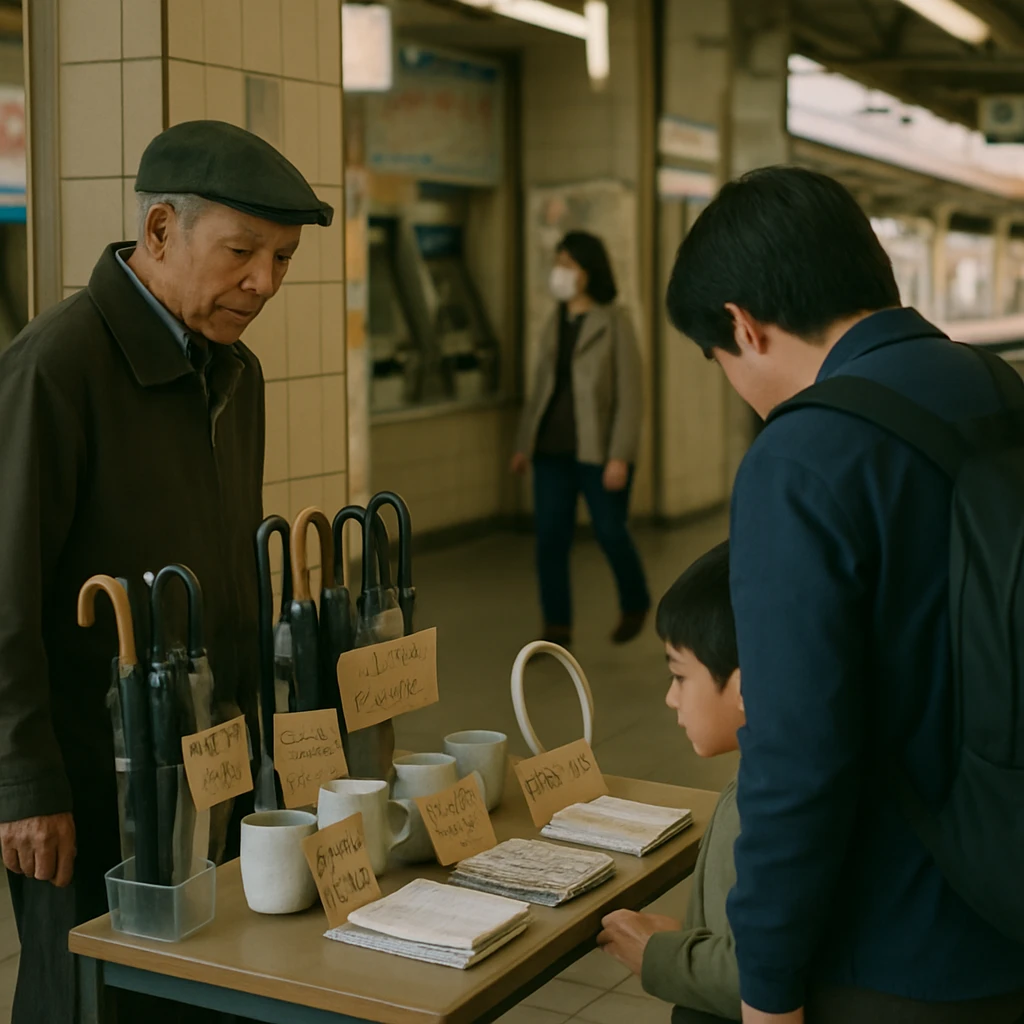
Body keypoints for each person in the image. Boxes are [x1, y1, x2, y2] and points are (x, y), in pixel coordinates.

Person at [665, 166, 1024, 1024]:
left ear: (742, 326)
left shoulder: (804, 456)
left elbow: (798, 754)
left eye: (718, 361)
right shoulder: (996, 388)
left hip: (891, 952)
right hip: (1005, 898)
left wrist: (768, 985)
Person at [0, 119, 333, 1023]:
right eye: (241, 252)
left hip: (203, 757)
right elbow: (4, 593)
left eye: (282, 258)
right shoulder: (57, 366)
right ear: (158, 232)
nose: (263, 282)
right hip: (88, 773)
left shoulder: (235, 373)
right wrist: (24, 786)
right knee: (86, 997)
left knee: (200, 990)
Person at [598, 541, 742, 1023]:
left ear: (745, 685)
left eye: (680, 676)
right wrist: (691, 935)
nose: (670, 697)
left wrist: (656, 955)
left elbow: (766, 975)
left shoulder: (767, 802)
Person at [511, 230, 649, 646]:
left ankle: (635, 600)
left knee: (610, 531)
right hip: (551, 450)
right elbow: (540, 389)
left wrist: (620, 456)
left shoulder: (614, 322)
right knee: (550, 541)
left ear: (588, 272)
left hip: (598, 452)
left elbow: (630, 394)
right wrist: (523, 443)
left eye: (568, 265)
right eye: (558, 263)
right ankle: (556, 628)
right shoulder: (554, 322)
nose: (560, 273)